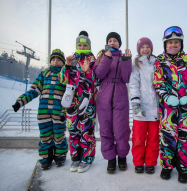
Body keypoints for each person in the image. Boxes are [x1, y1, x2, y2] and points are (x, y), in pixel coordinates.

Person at [153, 26, 187, 183]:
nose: (173, 45)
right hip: (168, 108)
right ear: (165, 45)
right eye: (170, 42)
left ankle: (184, 168)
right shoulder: (160, 61)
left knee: (184, 138)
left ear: (181, 44)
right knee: (167, 137)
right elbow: (158, 80)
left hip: (186, 109)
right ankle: (167, 166)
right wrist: (166, 96)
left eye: (176, 42)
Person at [12, 49, 68, 170]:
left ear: (63, 62)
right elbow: (34, 90)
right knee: (45, 136)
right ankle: (46, 158)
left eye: (58, 60)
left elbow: (67, 96)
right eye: (53, 60)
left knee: (59, 135)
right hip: (43, 112)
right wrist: (20, 102)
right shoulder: (44, 74)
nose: (55, 62)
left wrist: (64, 111)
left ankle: (60, 156)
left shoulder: (65, 75)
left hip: (58, 111)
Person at [59, 31, 99, 173]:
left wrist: (87, 71)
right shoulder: (72, 58)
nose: (82, 47)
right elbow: (63, 80)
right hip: (71, 103)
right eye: (79, 45)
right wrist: (67, 65)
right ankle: (75, 158)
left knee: (86, 131)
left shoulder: (93, 60)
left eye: (84, 45)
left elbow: (96, 81)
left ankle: (86, 158)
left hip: (87, 102)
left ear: (88, 45)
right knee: (73, 132)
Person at [94, 32, 132, 174]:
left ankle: (122, 156)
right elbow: (99, 74)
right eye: (109, 40)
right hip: (104, 96)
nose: (112, 42)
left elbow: (127, 78)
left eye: (115, 40)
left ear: (119, 43)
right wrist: (106, 58)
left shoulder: (123, 57)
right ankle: (110, 158)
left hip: (120, 95)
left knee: (121, 129)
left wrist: (127, 61)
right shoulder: (102, 57)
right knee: (106, 129)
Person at [129, 37, 159, 174]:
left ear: (151, 49)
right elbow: (134, 85)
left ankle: (151, 162)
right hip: (140, 108)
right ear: (139, 50)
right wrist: (135, 104)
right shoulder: (135, 65)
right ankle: (138, 162)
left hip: (155, 110)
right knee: (138, 138)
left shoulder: (157, 64)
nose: (145, 49)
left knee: (153, 138)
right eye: (142, 47)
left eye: (147, 47)